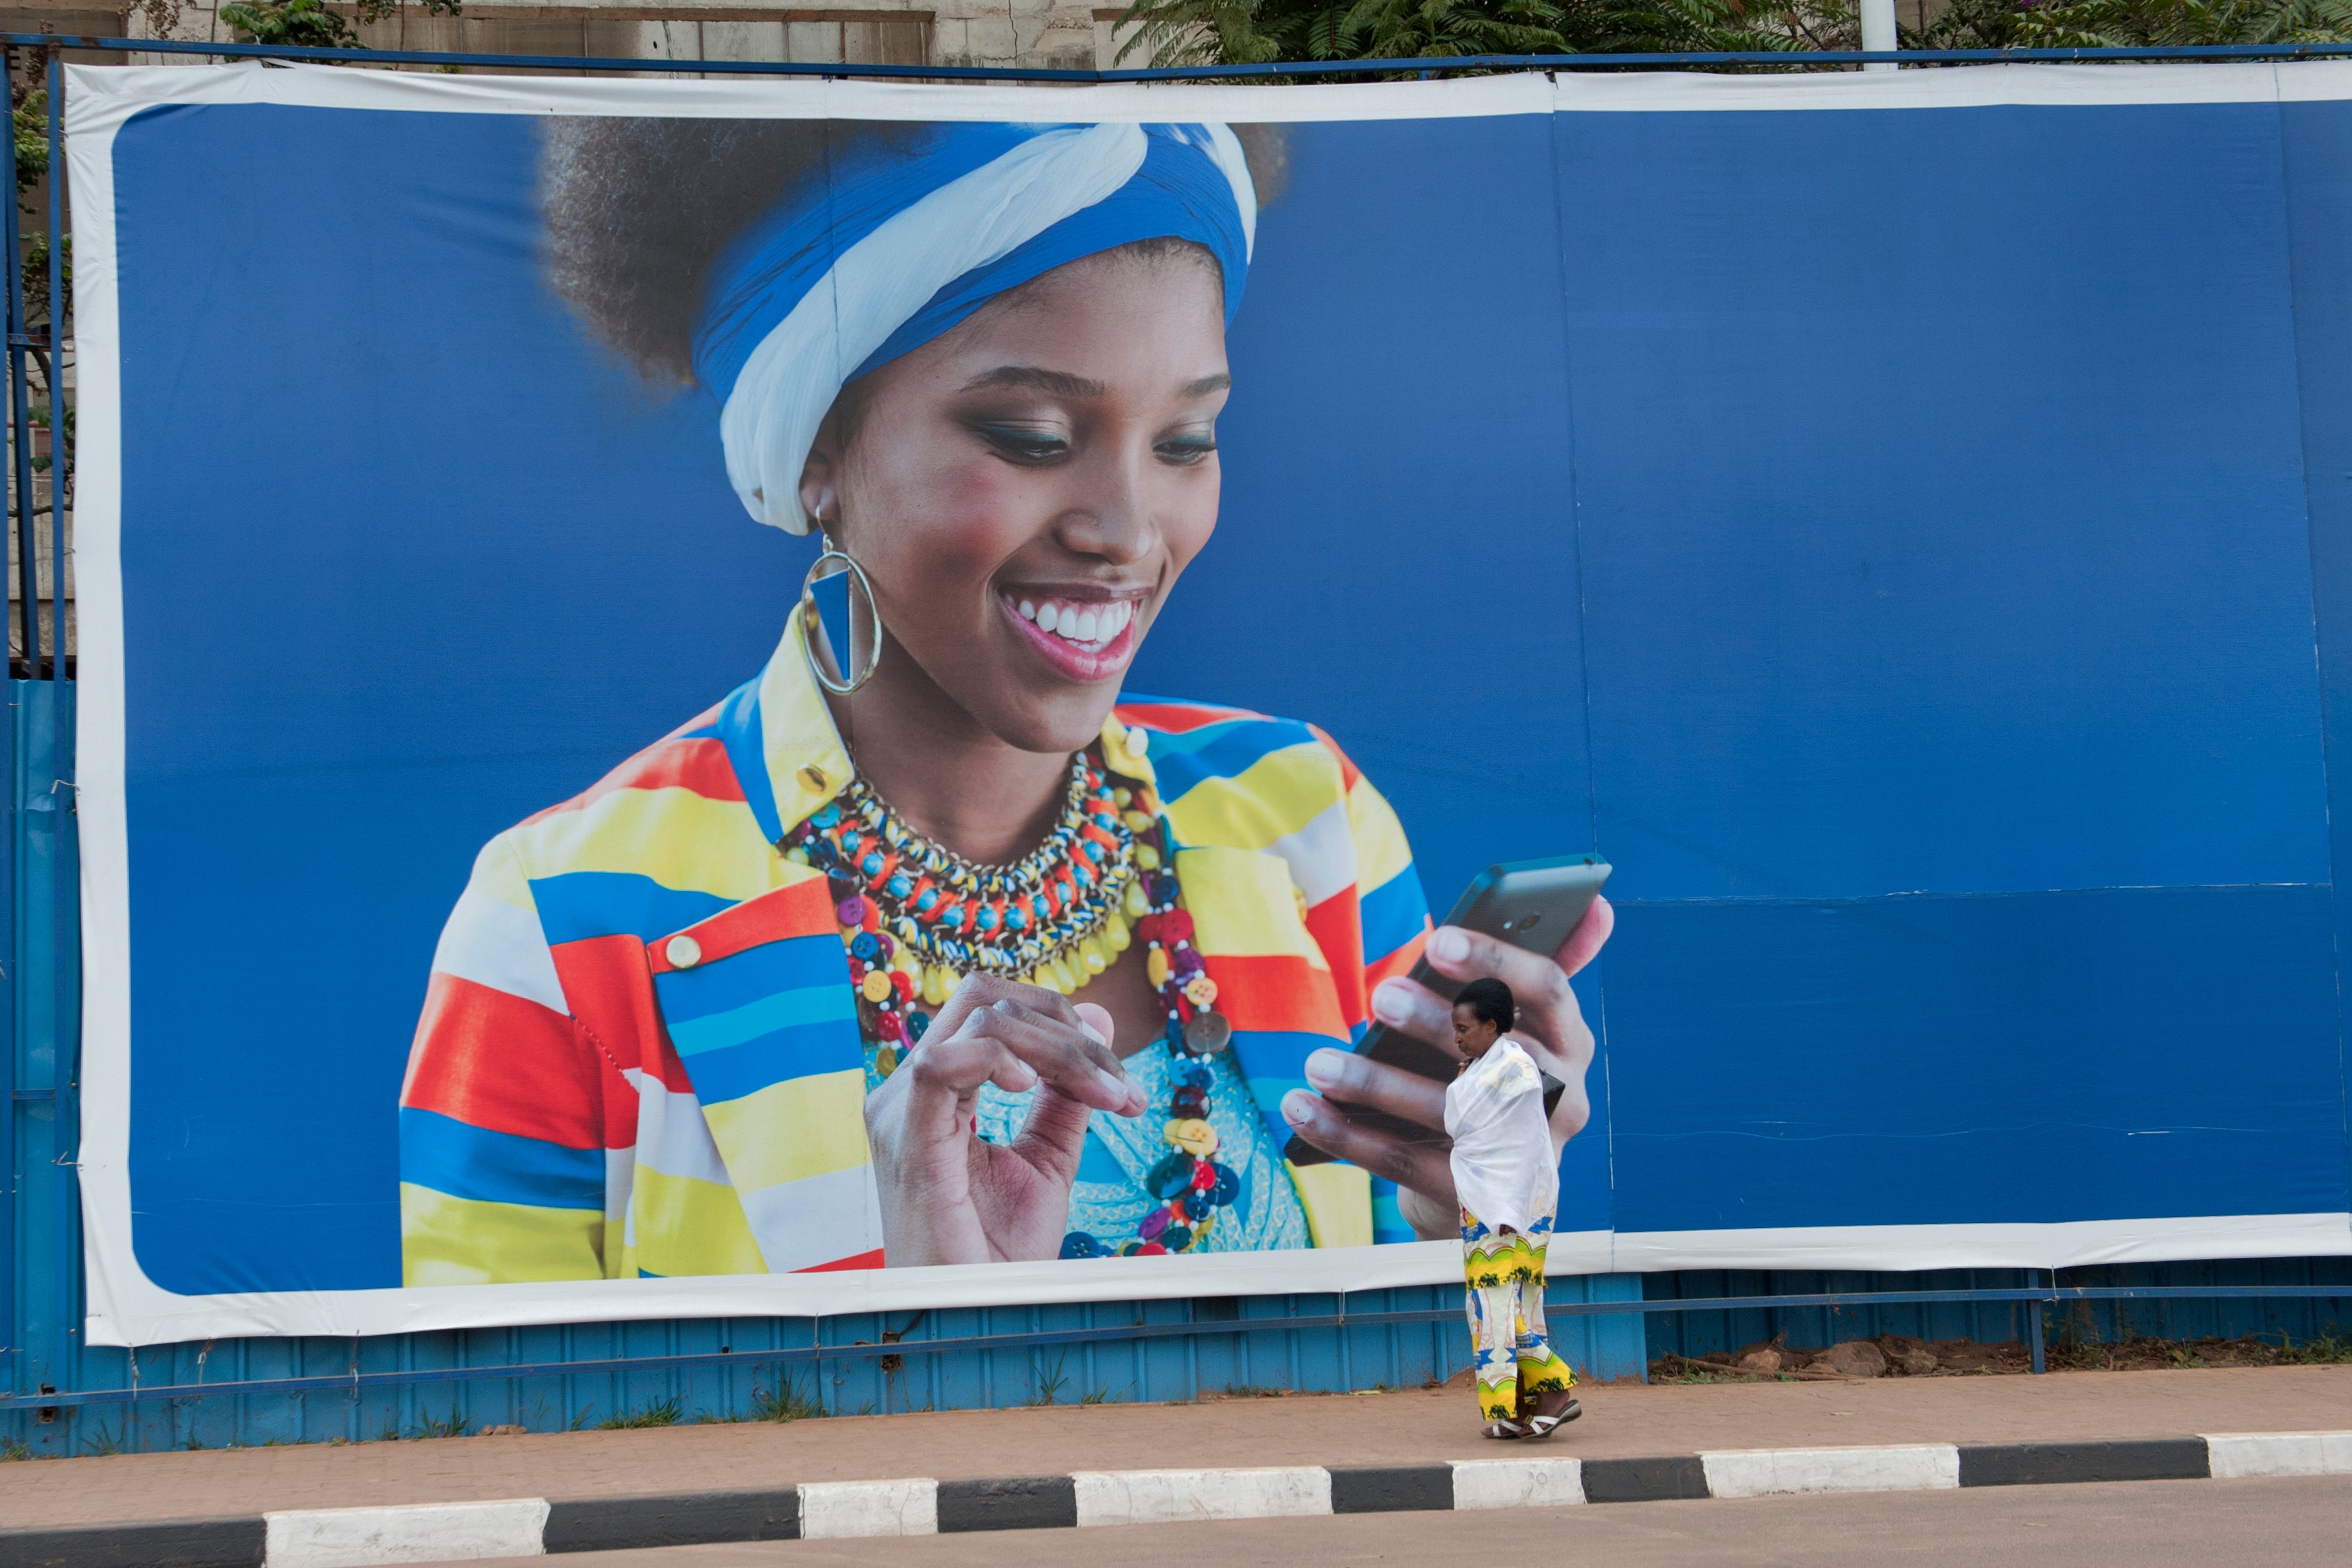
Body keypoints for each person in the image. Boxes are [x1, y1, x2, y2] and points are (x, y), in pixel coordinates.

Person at [396, 117, 1615, 1284]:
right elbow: (487, 1438)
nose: (1128, 530)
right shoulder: (564, 923)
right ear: (817, 454)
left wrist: (1472, 1203)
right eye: (1030, 435)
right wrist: (929, 1325)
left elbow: (1416, 1386)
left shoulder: (1303, 816)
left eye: (1185, 440)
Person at [1446, 977, 1579, 1439]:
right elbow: (1464, 1131)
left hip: (1515, 1206)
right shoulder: (1481, 1070)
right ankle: (1520, 1407)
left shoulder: (1518, 1073)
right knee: (1496, 1305)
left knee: (1498, 1305)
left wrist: (1508, 1208)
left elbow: (1523, 1149)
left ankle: (1556, 1391)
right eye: (1455, 1028)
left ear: (1491, 1024)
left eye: (1464, 1028)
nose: (1457, 1037)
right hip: (1483, 1204)